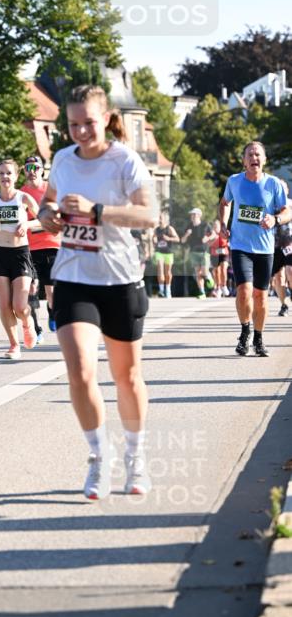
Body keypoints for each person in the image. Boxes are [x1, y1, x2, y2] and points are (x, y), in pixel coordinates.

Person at [37, 85, 156, 500]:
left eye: (88, 122)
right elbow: (47, 204)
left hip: (120, 278)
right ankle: (98, 457)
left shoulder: (125, 160)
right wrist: (49, 215)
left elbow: (149, 215)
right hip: (73, 276)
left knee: (127, 377)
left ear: (105, 118)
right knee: (81, 370)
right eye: (73, 125)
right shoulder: (63, 160)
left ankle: (136, 458)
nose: (81, 132)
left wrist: (97, 210)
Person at [219, 142, 289, 356]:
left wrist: (275, 219)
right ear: (244, 160)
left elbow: (288, 211)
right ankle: (245, 331)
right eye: (250, 154)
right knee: (244, 291)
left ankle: (258, 338)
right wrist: (223, 224)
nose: (254, 158)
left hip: (265, 248)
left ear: (264, 160)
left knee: (260, 295)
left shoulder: (274, 184)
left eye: (258, 154)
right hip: (240, 246)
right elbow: (225, 203)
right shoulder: (234, 181)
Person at [0, 159, 39, 359]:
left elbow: (43, 218)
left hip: (20, 254)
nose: (5, 177)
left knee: (19, 306)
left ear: (16, 176)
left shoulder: (23, 198)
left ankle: (27, 324)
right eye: (1, 173)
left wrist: (27, 225)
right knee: (4, 305)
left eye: (9, 173)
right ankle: (13, 345)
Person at [21, 154, 60, 331]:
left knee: (51, 293)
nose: (32, 172)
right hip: (29, 247)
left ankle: (52, 311)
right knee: (30, 288)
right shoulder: (20, 194)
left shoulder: (51, 191)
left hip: (52, 245)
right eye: (28, 168)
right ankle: (36, 327)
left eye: (35, 168)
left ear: (42, 170)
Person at [180, 208, 214, 298]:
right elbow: (182, 241)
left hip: (204, 251)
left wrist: (207, 238)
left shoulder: (205, 225)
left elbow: (213, 234)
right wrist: (187, 234)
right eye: (191, 215)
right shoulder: (189, 226)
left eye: (194, 214)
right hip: (193, 252)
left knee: (204, 272)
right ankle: (202, 292)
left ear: (199, 215)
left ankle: (209, 278)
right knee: (197, 273)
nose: (192, 216)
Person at [271, 179, 292, 317]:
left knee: (290, 271)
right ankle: (284, 304)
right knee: (278, 277)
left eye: (282, 187)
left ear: (287, 190)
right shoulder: (270, 204)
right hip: (274, 243)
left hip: (290, 242)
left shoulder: (290, 204)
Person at [152, 212, 180, 298]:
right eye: (159, 218)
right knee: (160, 269)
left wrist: (169, 238)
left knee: (168, 272)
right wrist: (154, 240)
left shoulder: (169, 229)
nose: (160, 220)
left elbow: (177, 239)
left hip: (168, 253)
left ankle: (168, 289)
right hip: (159, 252)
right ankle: (161, 290)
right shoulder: (156, 230)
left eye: (161, 218)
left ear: (165, 220)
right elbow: (153, 239)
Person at [206, 218, 230, 297]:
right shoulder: (211, 234)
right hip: (214, 254)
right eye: (214, 226)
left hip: (224, 253)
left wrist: (228, 243)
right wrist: (214, 238)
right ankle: (218, 287)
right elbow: (208, 244)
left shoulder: (223, 232)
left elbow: (229, 240)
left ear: (220, 226)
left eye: (217, 225)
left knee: (223, 269)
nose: (216, 227)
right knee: (216, 272)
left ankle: (224, 285)